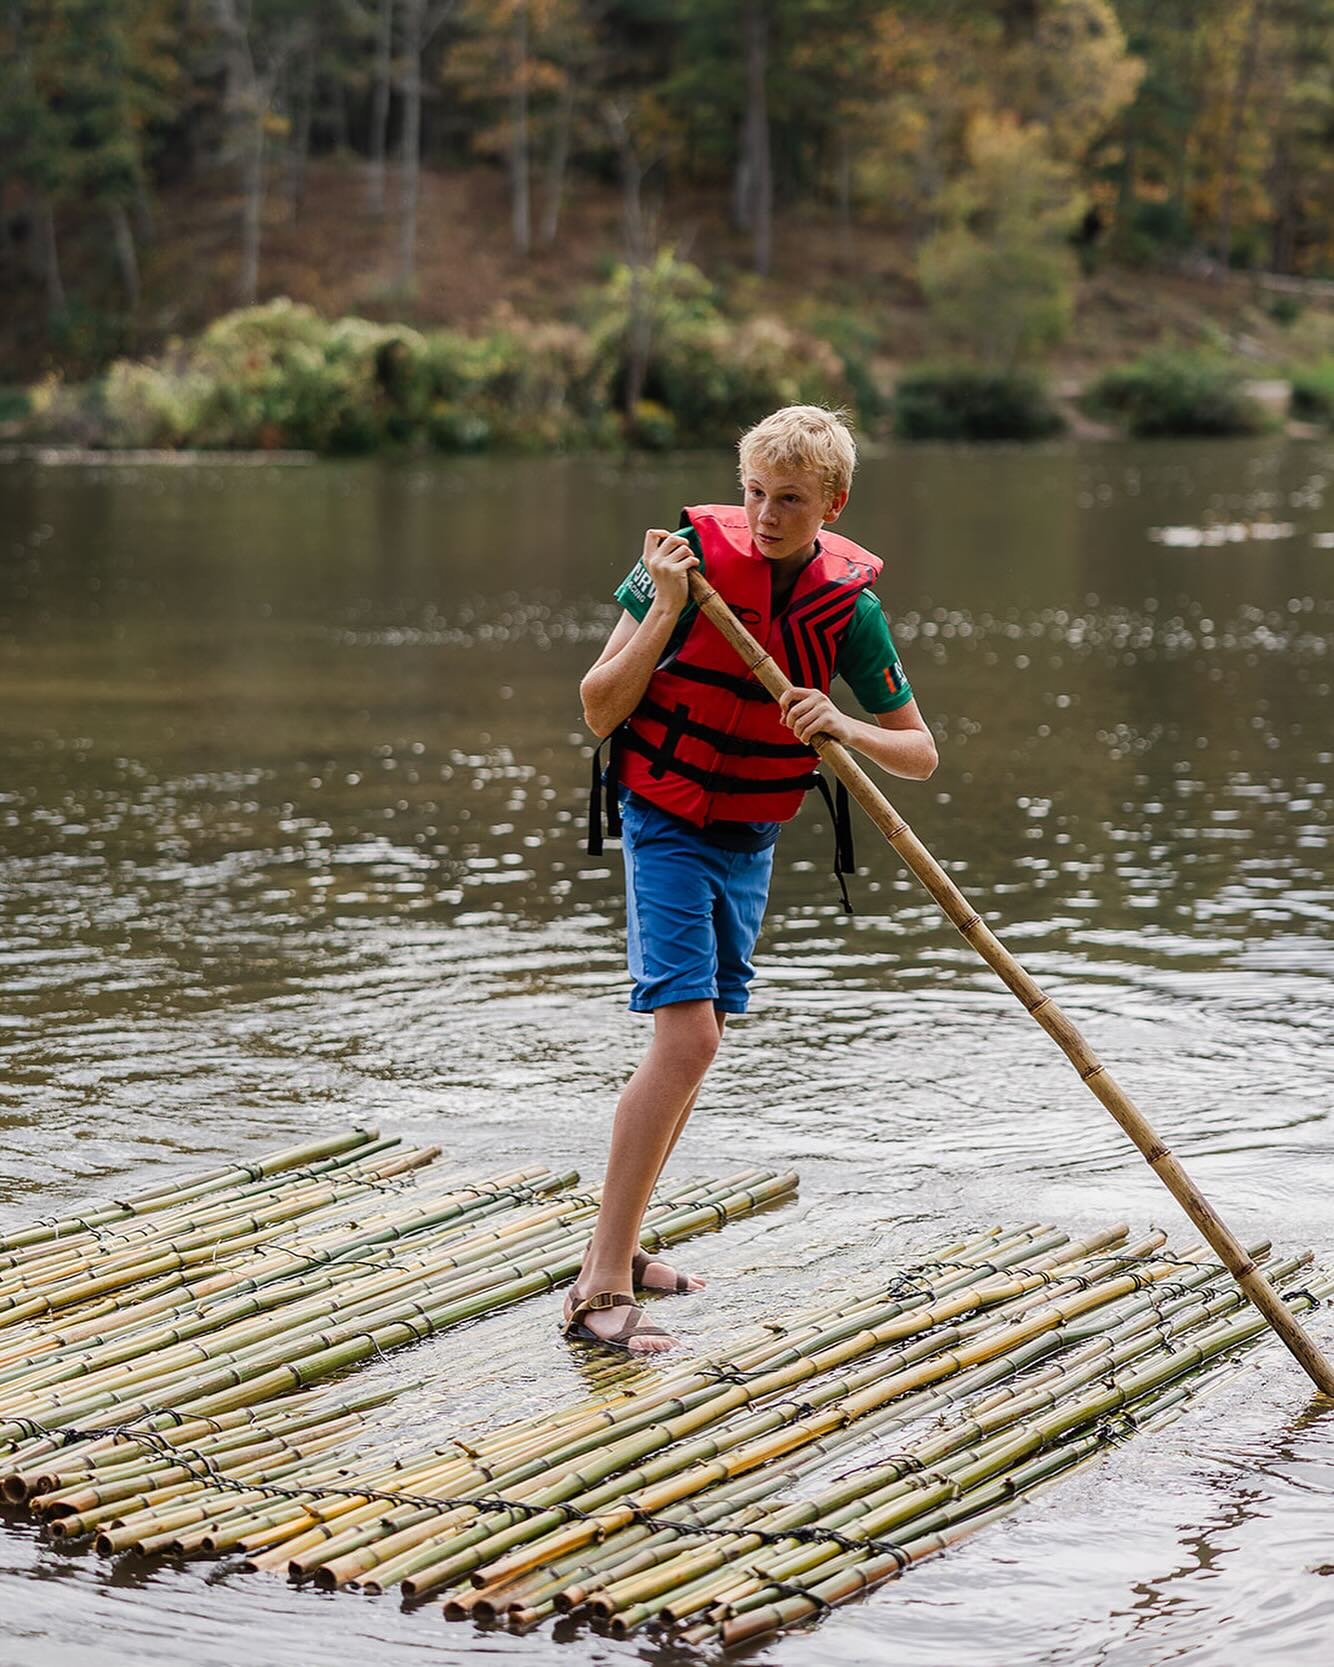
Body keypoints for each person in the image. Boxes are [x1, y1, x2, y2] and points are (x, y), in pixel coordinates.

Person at [568, 405, 937, 1352]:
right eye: (754, 494)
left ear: (833, 504)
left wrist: (842, 724)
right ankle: (599, 1286)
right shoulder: (680, 564)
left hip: (750, 837)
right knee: (685, 1038)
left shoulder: (850, 609)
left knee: (707, 1037)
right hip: (665, 818)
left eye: (790, 502)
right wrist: (663, 607)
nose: (765, 516)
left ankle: (622, 1243)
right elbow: (598, 708)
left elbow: (919, 752)